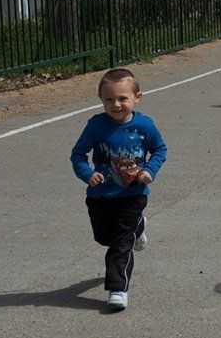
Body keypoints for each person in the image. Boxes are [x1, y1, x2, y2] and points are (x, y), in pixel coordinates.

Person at [70, 68, 167, 310]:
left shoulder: (144, 125)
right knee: (104, 237)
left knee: (120, 244)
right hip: (101, 195)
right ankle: (140, 225)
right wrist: (88, 174)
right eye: (109, 99)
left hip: (132, 195)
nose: (116, 105)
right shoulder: (96, 125)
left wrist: (149, 171)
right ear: (101, 99)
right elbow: (79, 154)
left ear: (137, 97)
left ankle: (117, 289)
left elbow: (160, 150)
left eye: (123, 98)